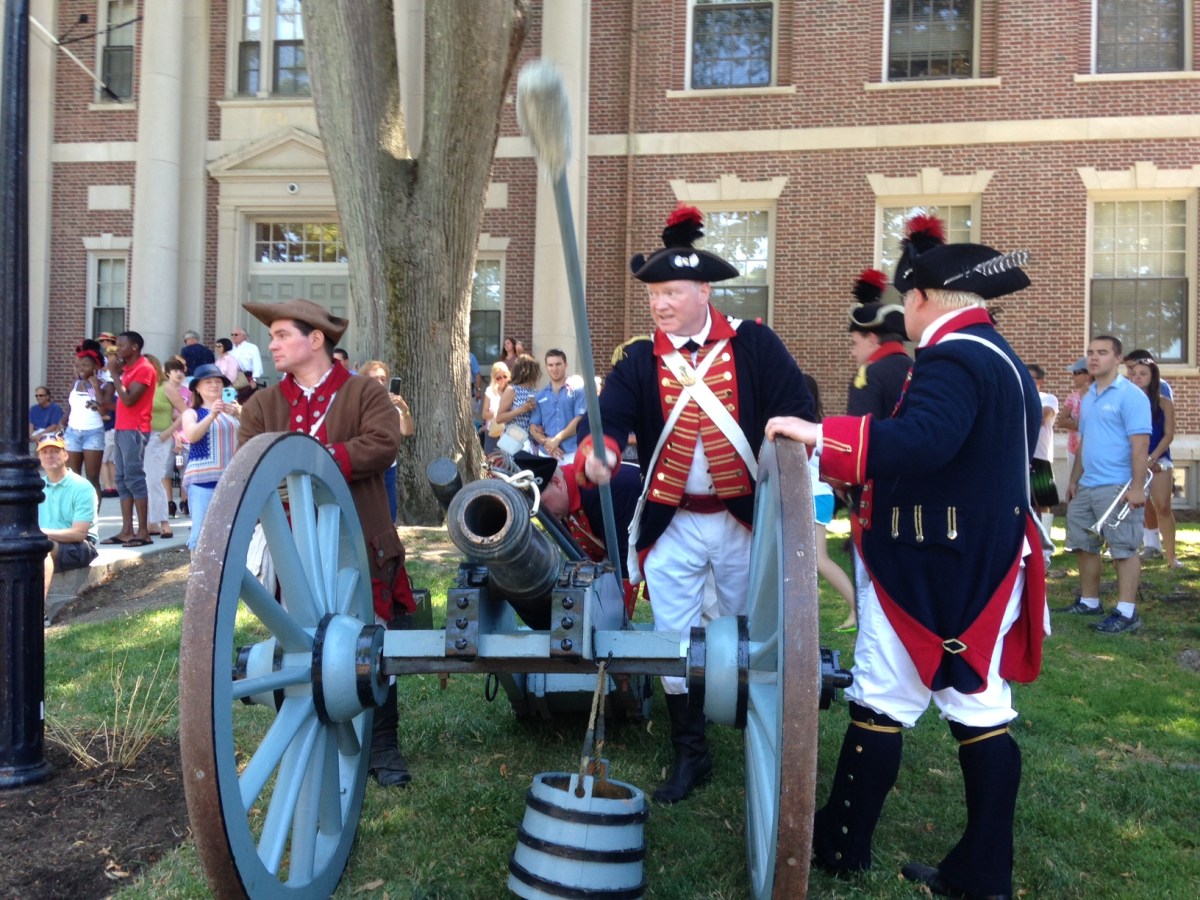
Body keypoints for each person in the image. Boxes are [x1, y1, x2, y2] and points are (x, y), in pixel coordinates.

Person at [765, 213, 1045, 900]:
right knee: (978, 704)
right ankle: (983, 870)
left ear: (920, 299)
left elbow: (923, 441)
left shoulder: (954, 356)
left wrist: (818, 434)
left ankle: (842, 842)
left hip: (930, 562)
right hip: (981, 556)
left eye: (904, 304)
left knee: (885, 698)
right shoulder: (1002, 356)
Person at [580, 204, 813, 804]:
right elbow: (612, 416)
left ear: (703, 290)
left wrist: (782, 443)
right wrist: (601, 449)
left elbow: (797, 407)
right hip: (674, 519)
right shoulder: (639, 359)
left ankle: (742, 713)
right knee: (672, 633)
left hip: (740, 520)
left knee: (743, 628)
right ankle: (691, 752)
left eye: (672, 292)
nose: (660, 304)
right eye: (655, 293)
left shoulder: (755, 345)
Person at [238, 298, 415, 788]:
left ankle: (381, 748)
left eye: (280, 335)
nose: (270, 344)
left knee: (369, 640)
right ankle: (311, 732)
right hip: (291, 546)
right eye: (270, 336)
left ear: (315, 339)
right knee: (300, 644)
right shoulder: (262, 406)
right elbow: (251, 464)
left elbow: (383, 444)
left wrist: (311, 460)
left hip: (356, 536)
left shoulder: (363, 394)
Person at [1061, 335, 1151, 634]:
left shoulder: (1131, 395)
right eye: (1090, 352)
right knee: (1084, 545)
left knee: (1123, 549)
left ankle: (1127, 612)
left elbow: (1140, 445)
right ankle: (1089, 601)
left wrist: (1137, 487)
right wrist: (1074, 480)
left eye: (1102, 352)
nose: (1094, 358)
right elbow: (1084, 443)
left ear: (1118, 358)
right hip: (1087, 485)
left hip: (1118, 487)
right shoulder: (1088, 398)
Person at [844, 267, 912, 629]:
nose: (853, 351)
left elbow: (857, 440)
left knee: (869, 588)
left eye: (854, 343)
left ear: (871, 338)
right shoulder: (913, 368)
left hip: (875, 497)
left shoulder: (870, 373)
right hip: (912, 498)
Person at [803, 373, 857, 632]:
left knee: (818, 559)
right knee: (806, 561)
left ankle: (856, 607)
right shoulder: (816, 427)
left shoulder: (804, 430)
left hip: (813, 496)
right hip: (816, 496)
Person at [103, 330, 156, 547]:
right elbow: (117, 401)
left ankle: (143, 532)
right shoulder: (127, 370)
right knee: (122, 479)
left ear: (134, 347)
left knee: (134, 478)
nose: (117, 349)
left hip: (135, 430)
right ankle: (127, 530)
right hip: (122, 428)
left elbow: (129, 399)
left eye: (121, 345)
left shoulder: (144, 369)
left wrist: (114, 374)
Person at [181, 364, 241, 551]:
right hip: (202, 482)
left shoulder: (233, 412)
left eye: (218, 381)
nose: (214, 385)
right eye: (208, 382)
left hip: (231, 481)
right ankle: (198, 579)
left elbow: (253, 434)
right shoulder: (192, 413)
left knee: (231, 535)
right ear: (197, 388)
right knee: (201, 535)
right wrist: (212, 414)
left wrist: (241, 413)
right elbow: (191, 435)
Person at [37, 432, 99, 610]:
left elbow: (79, 533)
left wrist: (41, 534)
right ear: (39, 457)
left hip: (81, 546)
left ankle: (36, 610)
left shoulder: (81, 487)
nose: (50, 456)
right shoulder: (36, 487)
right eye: (45, 452)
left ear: (65, 455)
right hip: (46, 540)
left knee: (42, 548)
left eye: (55, 451)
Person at [1128, 353, 1179, 569]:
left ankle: (1171, 558)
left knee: (1163, 507)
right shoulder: (1126, 402)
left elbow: (1168, 435)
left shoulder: (1165, 403)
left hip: (1159, 460)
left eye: (1143, 374)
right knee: (1131, 509)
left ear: (1152, 376)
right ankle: (1126, 556)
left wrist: (1152, 457)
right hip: (1131, 461)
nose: (1137, 377)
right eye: (1134, 374)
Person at [359, 360, 415, 523]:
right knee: (365, 516)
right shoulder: (359, 401)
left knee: (388, 515)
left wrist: (404, 411)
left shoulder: (393, 402)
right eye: (375, 378)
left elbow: (407, 431)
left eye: (383, 379)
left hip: (388, 467)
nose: (380, 382)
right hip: (365, 467)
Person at [61, 340, 112, 498]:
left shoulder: (106, 385)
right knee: (73, 478)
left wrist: (96, 387)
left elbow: (104, 411)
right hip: (72, 433)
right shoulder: (75, 384)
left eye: (85, 365)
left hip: (93, 433)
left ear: (96, 367)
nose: (81, 369)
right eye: (78, 365)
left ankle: (92, 519)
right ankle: (75, 515)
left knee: (92, 479)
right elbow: (69, 409)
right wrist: (61, 424)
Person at [145, 357, 189, 539]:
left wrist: (170, 432)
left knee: (155, 479)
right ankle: (150, 522)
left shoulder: (165, 387)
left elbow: (185, 412)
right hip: (138, 436)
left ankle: (164, 522)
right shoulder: (140, 387)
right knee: (144, 480)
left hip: (158, 436)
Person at [528, 348, 587, 463]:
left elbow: (579, 420)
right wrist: (548, 443)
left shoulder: (578, 390)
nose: (554, 368)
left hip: (572, 453)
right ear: (546, 367)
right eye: (550, 365)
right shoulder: (540, 395)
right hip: (546, 454)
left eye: (558, 364)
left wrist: (557, 439)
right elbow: (533, 427)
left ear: (565, 365)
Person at [1027, 363, 1059, 564]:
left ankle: (1045, 546)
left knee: (1043, 502)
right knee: (1024, 502)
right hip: (1020, 457)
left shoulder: (1048, 398)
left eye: (1031, 378)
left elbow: (1041, 416)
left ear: (1040, 381)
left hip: (1039, 457)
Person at [492, 354, 541, 453]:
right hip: (514, 442)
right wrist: (521, 410)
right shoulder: (512, 390)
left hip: (531, 443)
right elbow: (499, 418)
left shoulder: (534, 391)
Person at [1058, 356, 1090, 479]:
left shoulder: (1102, 396)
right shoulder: (1072, 397)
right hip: (1074, 451)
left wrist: (1075, 422)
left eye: (1076, 373)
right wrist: (1086, 425)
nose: (1073, 376)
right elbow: (1061, 421)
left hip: (1096, 452)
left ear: (1088, 374)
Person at [480, 361, 510, 453]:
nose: (502, 380)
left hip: (508, 432)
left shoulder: (511, 390)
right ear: (494, 378)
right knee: (491, 460)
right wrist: (495, 414)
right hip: (493, 432)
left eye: (505, 376)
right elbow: (484, 414)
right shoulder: (490, 391)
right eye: (498, 378)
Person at [229, 325, 265, 393]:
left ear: (244, 336)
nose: (234, 336)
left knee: (245, 401)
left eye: (236, 334)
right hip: (231, 379)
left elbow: (257, 365)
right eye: (232, 334)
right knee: (230, 401)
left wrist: (254, 380)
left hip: (247, 378)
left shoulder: (252, 348)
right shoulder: (230, 348)